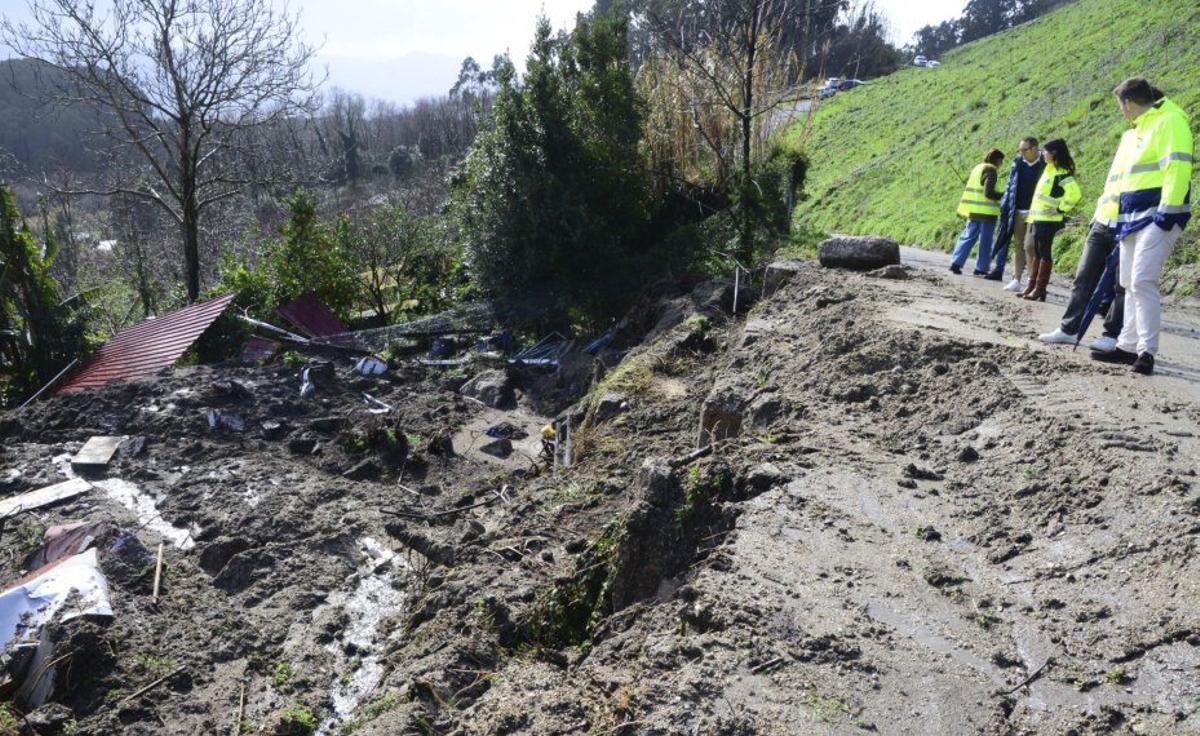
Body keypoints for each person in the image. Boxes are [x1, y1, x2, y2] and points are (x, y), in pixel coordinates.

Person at [1092, 78, 1193, 376]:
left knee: (1142, 280)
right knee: (1127, 281)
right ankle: (1127, 344)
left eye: (1120, 106)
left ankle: (1146, 352)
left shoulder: (1169, 121)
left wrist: (1168, 211)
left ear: (1128, 103)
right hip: (1131, 218)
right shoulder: (1141, 128)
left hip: (1157, 216)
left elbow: (1178, 166)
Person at [1037, 123, 1148, 348]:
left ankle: (1111, 335)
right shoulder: (1122, 152)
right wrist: (1097, 216)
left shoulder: (1150, 157)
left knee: (1121, 284)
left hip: (1126, 226)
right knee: (1083, 278)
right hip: (1101, 223)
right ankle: (1069, 329)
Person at [1019, 139, 1081, 301]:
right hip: (1038, 218)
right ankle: (1032, 286)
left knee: (1044, 253)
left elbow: (1074, 194)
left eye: (1045, 151)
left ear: (1053, 153)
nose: (1043, 154)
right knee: (1038, 253)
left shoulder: (1060, 172)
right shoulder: (1048, 170)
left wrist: (1060, 208)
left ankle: (1040, 288)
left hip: (1049, 220)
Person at [986, 137, 1045, 289]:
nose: (1021, 153)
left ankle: (1032, 282)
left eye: (1024, 150)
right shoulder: (1018, 162)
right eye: (1019, 150)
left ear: (1034, 149)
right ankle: (1016, 280)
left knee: (1030, 246)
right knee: (1019, 245)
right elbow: (1011, 185)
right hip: (1018, 210)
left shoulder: (1045, 163)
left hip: (1036, 212)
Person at [949, 148, 1005, 275]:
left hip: (973, 211)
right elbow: (988, 192)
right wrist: (1004, 195)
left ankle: (955, 263)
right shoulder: (991, 170)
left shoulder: (977, 168)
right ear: (997, 160)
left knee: (968, 237)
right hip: (987, 213)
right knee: (985, 242)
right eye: (1001, 161)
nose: (1001, 164)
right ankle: (981, 268)